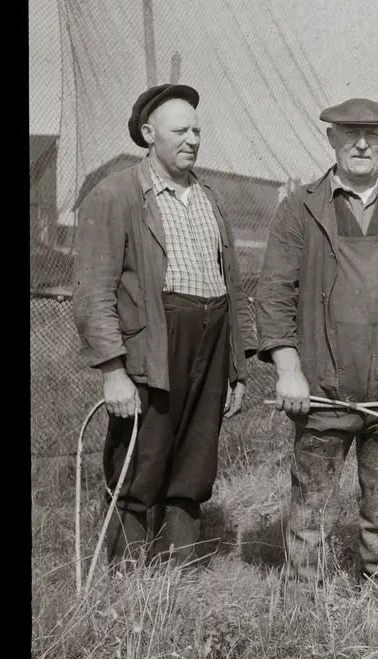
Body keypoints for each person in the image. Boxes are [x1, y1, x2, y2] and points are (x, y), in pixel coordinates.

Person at [254, 98, 378, 593]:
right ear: (332, 139)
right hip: (323, 390)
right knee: (311, 508)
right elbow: (274, 294)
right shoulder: (301, 207)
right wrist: (288, 370)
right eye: (350, 133)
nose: (361, 144)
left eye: (372, 134)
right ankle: (302, 604)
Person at [73, 83, 256, 566]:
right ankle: (128, 579)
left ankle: (182, 574)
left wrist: (236, 368)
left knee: (195, 460)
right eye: (180, 131)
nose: (192, 139)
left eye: (197, 130)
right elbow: (93, 292)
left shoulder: (210, 198)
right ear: (150, 134)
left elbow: (232, 286)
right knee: (141, 461)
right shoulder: (116, 195)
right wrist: (113, 372)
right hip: (152, 347)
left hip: (211, 343)